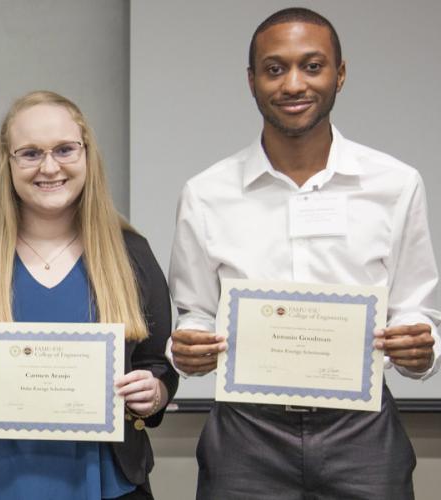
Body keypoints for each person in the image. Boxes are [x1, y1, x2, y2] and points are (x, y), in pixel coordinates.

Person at [168, 7, 440, 499]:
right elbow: (196, 313)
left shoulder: (396, 184)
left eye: (312, 66)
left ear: (340, 74)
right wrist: (188, 347)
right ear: (251, 81)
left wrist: (421, 349)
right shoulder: (206, 193)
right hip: (246, 431)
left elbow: (415, 308)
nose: (293, 84)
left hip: (362, 429)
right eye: (275, 69)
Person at [0, 90, 177, 500]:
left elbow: (158, 364)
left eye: (65, 149)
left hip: (105, 482)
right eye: (31, 153)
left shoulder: (132, 255)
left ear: (86, 154)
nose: (50, 167)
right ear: (8, 162)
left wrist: (153, 392)